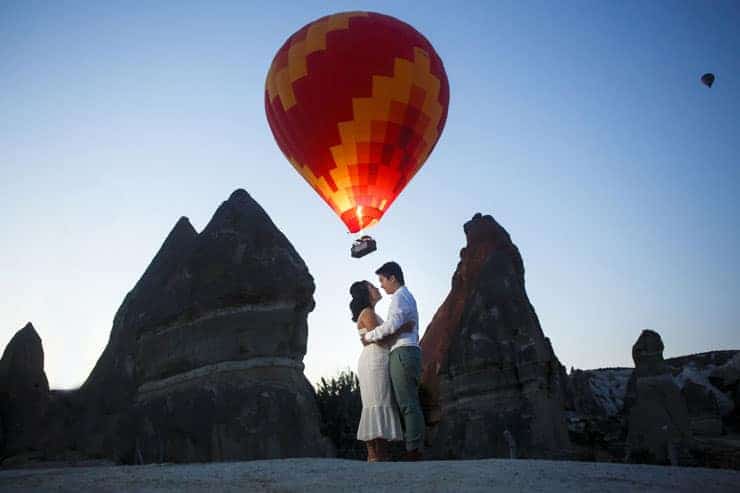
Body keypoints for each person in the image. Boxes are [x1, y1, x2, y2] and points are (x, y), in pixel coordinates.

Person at [361, 261, 425, 460]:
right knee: (407, 402)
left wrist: (369, 337)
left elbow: (391, 326)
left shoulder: (399, 297)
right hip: (406, 350)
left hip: (403, 351)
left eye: (382, 280)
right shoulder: (405, 296)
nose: (381, 285)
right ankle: (413, 448)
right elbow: (395, 326)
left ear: (392, 278)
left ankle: (413, 450)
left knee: (407, 403)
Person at [350, 280, 407, 461]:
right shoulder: (367, 313)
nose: (376, 288)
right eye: (372, 287)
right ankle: (378, 456)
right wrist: (401, 331)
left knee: (374, 404)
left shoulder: (368, 313)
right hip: (375, 360)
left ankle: (373, 456)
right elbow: (378, 339)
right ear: (367, 294)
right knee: (379, 402)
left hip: (373, 359)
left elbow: (368, 339)